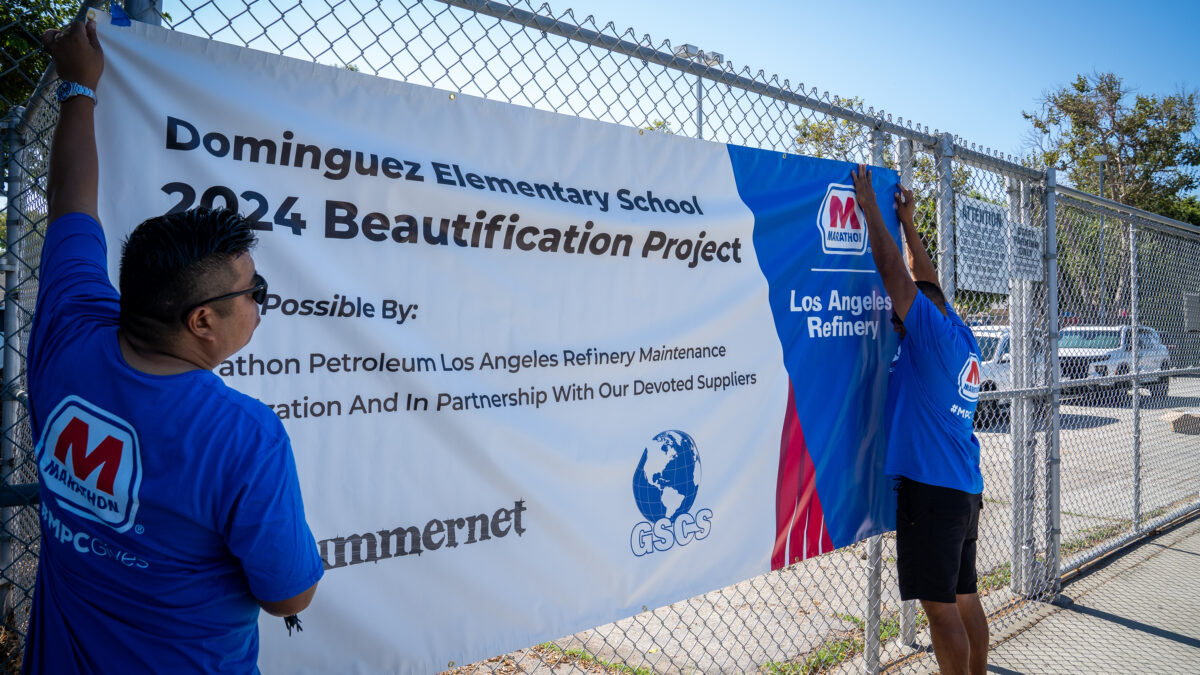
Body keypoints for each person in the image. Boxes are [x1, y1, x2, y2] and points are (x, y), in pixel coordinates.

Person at [25, 19, 323, 673]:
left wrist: (80, 85)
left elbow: (72, 204)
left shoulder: (67, 332)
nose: (262, 302)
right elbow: (289, 593)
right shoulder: (244, 436)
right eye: (255, 291)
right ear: (201, 323)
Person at [850, 165, 987, 675]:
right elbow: (926, 281)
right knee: (965, 597)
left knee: (940, 609)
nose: (894, 321)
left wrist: (871, 211)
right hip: (963, 488)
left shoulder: (926, 333)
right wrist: (908, 221)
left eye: (898, 316)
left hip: (931, 492)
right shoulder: (958, 332)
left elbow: (896, 272)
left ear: (916, 316)